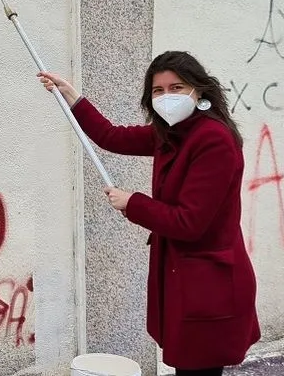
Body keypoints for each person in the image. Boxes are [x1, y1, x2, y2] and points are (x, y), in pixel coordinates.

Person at [37, 50, 260, 376]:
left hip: (210, 287)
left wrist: (133, 203)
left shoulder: (214, 141)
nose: (167, 97)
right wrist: (72, 97)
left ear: (199, 91)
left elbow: (190, 222)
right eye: (158, 90)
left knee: (198, 370)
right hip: (188, 284)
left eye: (177, 88)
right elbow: (111, 136)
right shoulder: (172, 134)